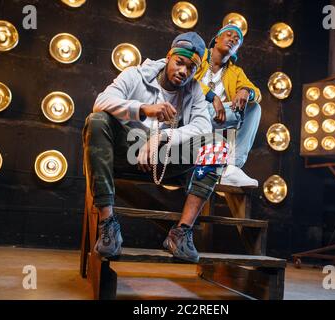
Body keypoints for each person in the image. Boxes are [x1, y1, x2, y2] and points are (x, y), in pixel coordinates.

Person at [82, 32, 226, 263]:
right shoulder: (135, 75)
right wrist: (144, 109)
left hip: (165, 159)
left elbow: (202, 126)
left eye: (190, 68)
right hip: (127, 151)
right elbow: (101, 102)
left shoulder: (195, 91)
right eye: (179, 62)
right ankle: (108, 224)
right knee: (97, 121)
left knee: (217, 145)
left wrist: (162, 136)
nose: (183, 72)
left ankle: (181, 233)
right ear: (169, 56)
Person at [194, 24, 262, 187]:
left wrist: (246, 91)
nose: (232, 39)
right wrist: (212, 96)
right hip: (190, 110)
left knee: (253, 108)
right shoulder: (199, 56)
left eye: (237, 40)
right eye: (229, 35)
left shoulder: (235, 71)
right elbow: (186, 78)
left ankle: (232, 167)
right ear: (216, 39)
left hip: (217, 116)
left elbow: (257, 93)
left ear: (237, 49)